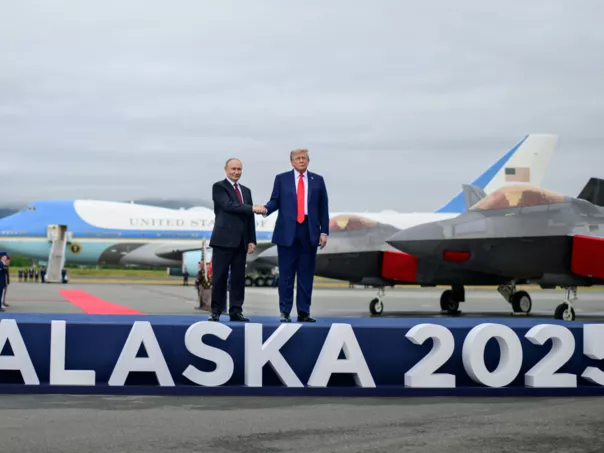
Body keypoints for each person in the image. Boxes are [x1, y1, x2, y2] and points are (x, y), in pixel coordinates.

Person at [261, 148, 329, 322]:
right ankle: (285, 311)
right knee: (286, 275)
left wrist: (324, 231)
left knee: (306, 275)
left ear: (308, 160)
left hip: (309, 231)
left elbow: (323, 208)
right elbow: (275, 200)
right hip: (287, 232)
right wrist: (266, 209)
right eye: (298, 158)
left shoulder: (318, 180)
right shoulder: (281, 179)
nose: (301, 161)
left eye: (304, 158)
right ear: (291, 162)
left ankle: (304, 312)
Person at [208, 157, 264, 322]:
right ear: (226, 169)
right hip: (223, 241)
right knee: (219, 277)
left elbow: (249, 218)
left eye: (239, 169)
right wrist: (253, 208)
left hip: (241, 242)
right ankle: (216, 311)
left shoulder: (246, 191)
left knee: (238, 279)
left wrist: (252, 239)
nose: (236, 172)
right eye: (233, 169)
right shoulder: (219, 187)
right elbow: (228, 205)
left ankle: (236, 311)